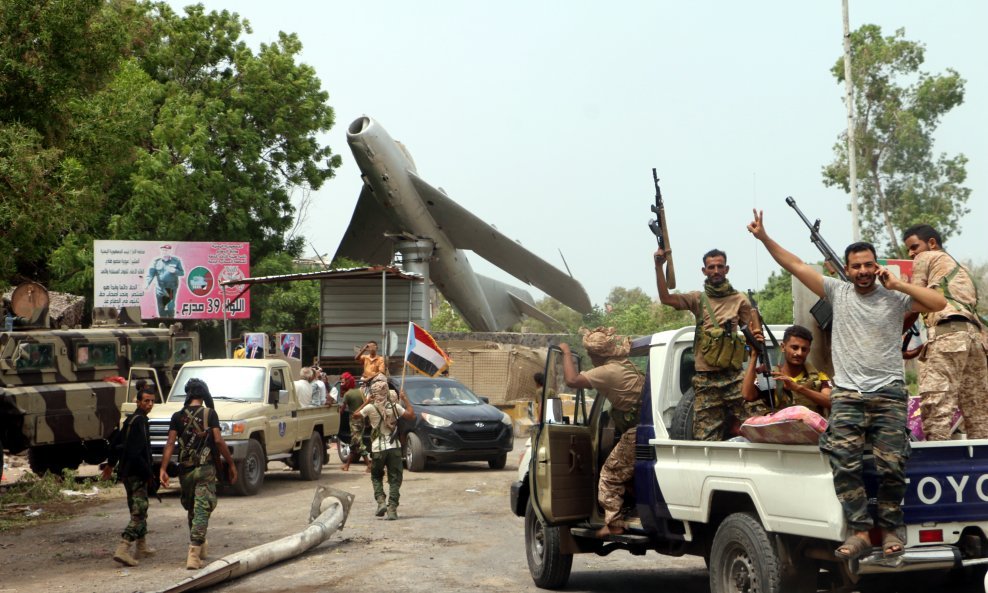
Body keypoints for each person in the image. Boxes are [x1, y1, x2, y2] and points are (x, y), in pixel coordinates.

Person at [747, 209, 945, 560]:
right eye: (856, 266)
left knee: (892, 464)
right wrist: (764, 238)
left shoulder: (895, 296)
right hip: (849, 394)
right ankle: (858, 531)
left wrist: (897, 284)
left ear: (876, 265)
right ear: (847, 269)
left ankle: (889, 528)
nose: (863, 271)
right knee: (844, 461)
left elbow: (939, 302)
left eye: (869, 265)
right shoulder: (837, 292)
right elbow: (794, 264)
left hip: (888, 392)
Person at [654, 247, 760, 440]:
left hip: (734, 376)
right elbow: (666, 298)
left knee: (759, 423)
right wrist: (658, 266)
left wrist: (757, 353)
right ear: (704, 271)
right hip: (706, 380)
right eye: (711, 267)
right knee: (706, 439)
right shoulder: (698, 299)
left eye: (720, 266)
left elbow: (752, 336)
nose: (716, 271)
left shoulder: (740, 300)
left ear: (727, 269)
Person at [902, 224, 988, 440]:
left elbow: (917, 300)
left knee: (936, 407)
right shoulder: (961, 269)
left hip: (948, 335)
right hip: (974, 340)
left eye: (914, 247)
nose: (912, 254)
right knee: (977, 411)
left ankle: (935, 463)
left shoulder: (926, 258)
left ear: (931, 243)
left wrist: (891, 333)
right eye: (909, 251)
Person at [559, 327, 645, 537]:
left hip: (637, 433)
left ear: (596, 354)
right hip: (646, 427)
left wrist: (566, 353)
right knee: (628, 474)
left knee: (609, 475)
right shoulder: (623, 364)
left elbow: (572, 381)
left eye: (590, 355)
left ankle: (614, 523)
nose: (590, 358)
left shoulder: (607, 372)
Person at [159, 378, 238, 569]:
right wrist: (231, 463)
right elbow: (218, 441)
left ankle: (200, 545)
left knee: (194, 508)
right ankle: (194, 552)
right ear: (203, 395)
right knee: (203, 508)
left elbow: (170, 444)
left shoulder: (177, 416)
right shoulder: (210, 414)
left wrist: (162, 468)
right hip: (205, 468)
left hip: (185, 470)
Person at [103, 384, 158, 567]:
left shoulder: (130, 420)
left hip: (127, 473)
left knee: (139, 509)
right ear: (138, 401)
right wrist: (149, 474)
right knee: (139, 511)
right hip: (136, 474)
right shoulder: (139, 422)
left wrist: (110, 465)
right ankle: (123, 548)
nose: (149, 404)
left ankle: (141, 546)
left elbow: (115, 444)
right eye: (146, 401)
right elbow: (136, 453)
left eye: (152, 401)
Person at [352, 374, 415, 520]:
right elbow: (411, 416)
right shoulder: (394, 406)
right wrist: (405, 399)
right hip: (394, 447)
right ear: (386, 391)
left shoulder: (370, 407)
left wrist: (366, 402)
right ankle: (392, 508)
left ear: (373, 393)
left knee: (376, 476)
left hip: (377, 448)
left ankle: (381, 501)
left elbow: (355, 415)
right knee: (395, 478)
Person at [741, 324, 832, 416]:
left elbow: (831, 402)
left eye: (804, 349)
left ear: (808, 351)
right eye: (795, 348)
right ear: (783, 347)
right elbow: (748, 395)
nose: (799, 353)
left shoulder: (819, 377)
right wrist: (754, 355)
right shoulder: (772, 377)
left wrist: (798, 388)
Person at [340, 372, 372, 472]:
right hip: (361, 420)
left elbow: (342, 410)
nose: (341, 382)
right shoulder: (360, 392)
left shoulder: (347, 394)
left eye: (343, 380)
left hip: (354, 421)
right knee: (354, 444)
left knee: (358, 443)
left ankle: (369, 464)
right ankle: (347, 465)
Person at [144, 244, 185, 318]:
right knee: (160, 307)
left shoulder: (176, 261)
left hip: (171, 287)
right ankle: (162, 321)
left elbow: (182, 273)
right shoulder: (156, 261)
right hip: (160, 287)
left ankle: (171, 321)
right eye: (163, 250)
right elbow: (151, 274)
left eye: (166, 250)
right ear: (161, 251)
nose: (164, 252)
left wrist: (175, 271)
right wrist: (147, 284)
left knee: (170, 306)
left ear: (170, 251)